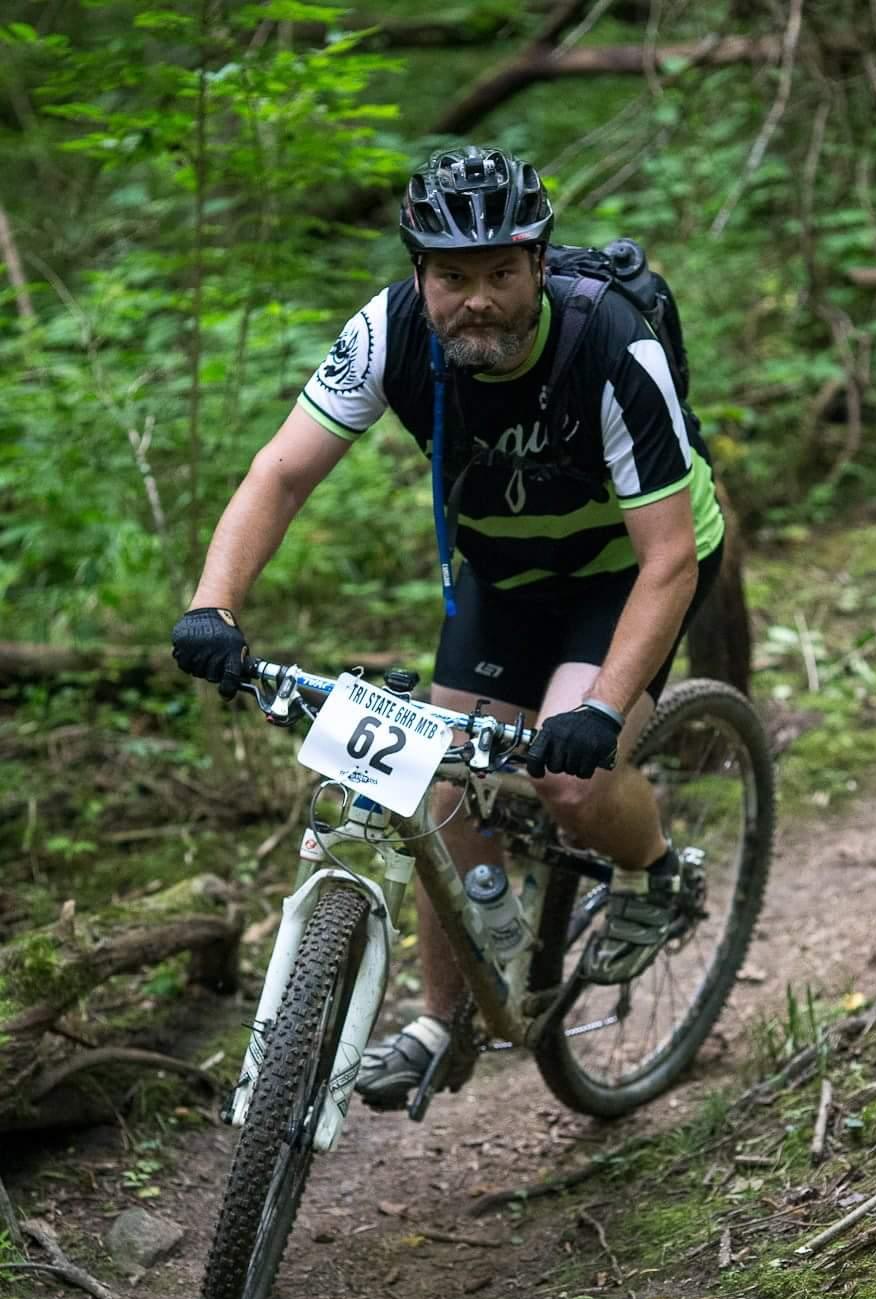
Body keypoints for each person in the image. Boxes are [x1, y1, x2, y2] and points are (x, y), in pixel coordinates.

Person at [171, 145, 727, 1111]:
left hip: (621, 572)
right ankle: (447, 1015)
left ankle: (654, 875)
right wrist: (213, 606)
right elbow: (281, 473)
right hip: (505, 574)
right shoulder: (387, 332)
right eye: (453, 277)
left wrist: (597, 708)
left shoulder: (609, 342)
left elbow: (668, 556)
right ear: (420, 273)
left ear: (539, 268)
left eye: (501, 274)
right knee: (425, 772)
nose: (479, 300)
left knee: (569, 777)